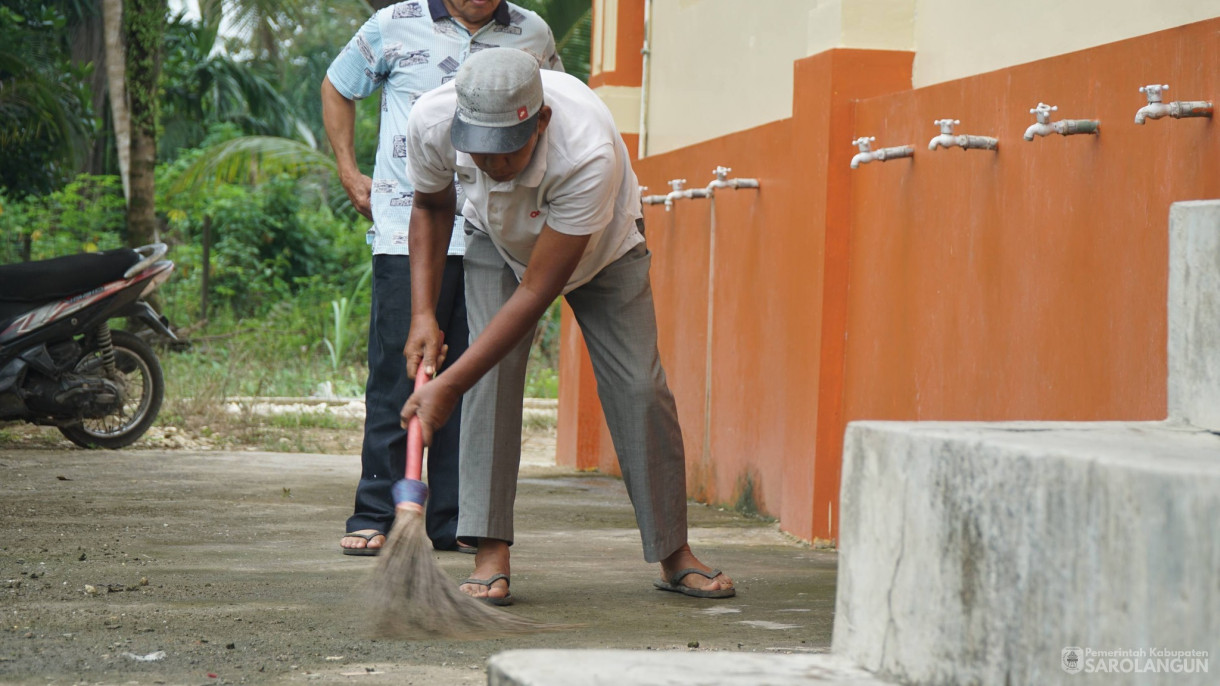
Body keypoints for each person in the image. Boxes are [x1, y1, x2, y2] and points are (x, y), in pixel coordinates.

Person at [398, 47, 735, 604]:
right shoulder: (432, 123)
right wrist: (423, 314)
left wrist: (448, 383)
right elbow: (432, 207)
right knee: (491, 377)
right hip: (494, 239)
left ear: (541, 120)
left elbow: (537, 290)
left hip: (603, 251)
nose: (488, 162)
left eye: (504, 151)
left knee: (639, 388)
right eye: (476, 147)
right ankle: (490, 552)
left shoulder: (587, 151)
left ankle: (675, 552)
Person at [321, 0, 562, 556]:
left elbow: (554, 110)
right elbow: (338, 85)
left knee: (471, 375)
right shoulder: (392, 23)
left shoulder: (532, 32)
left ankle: (454, 519)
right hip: (410, 229)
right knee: (397, 372)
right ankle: (376, 512)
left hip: (493, 232)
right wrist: (347, 168)